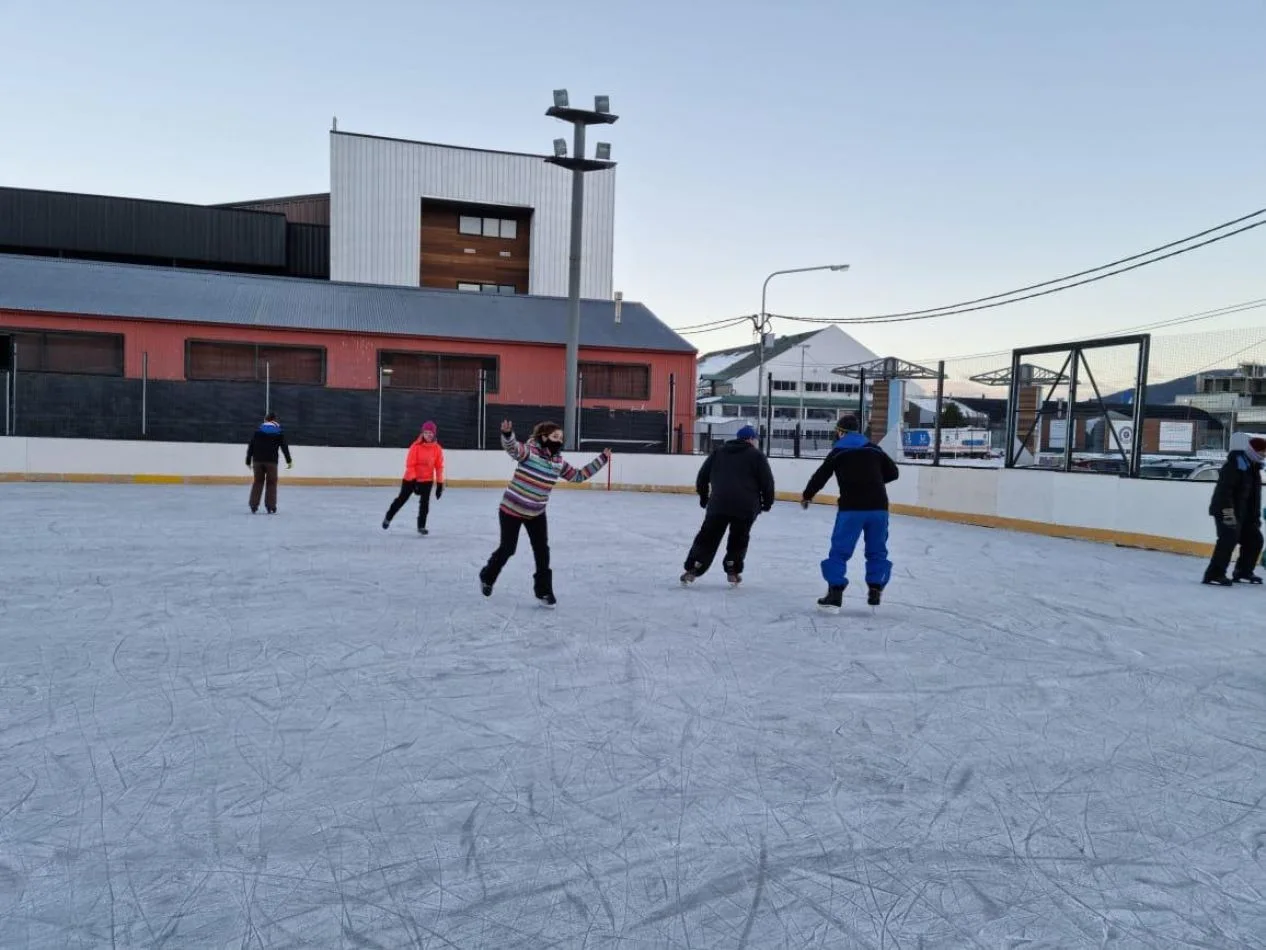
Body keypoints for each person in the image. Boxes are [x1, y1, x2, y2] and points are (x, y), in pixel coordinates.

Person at [479, 420, 611, 606]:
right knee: (508, 548)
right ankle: (487, 576)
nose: (558, 441)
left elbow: (578, 476)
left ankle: (543, 591)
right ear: (544, 437)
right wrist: (508, 435)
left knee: (542, 551)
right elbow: (513, 449)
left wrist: (601, 460)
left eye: (561, 438)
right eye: (555, 436)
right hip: (512, 509)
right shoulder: (530, 452)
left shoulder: (558, 462)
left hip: (536, 512)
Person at [800, 414, 900, 611]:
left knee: (840, 550)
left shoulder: (838, 452)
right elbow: (893, 472)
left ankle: (835, 592)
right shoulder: (874, 449)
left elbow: (820, 477)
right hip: (878, 508)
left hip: (851, 508)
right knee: (877, 550)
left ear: (840, 432)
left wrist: (807, 495)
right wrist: (874, 481)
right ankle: (875, 588)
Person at [681, 424, 775, 587]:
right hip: (745, 507)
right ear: (751, 439)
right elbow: (767, 483)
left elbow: (702, 477)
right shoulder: (757, 456)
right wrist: (767, 503)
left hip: (718, 505)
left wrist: (704, 498)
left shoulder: (719, 452)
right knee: (739, 539)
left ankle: (693, 568)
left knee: (707, 538)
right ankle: (733, 570)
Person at [1203, 432, 1265, 586]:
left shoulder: (1254, 468)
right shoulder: (1235, 464)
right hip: (1226, 509)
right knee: (1229, 537)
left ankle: (1243, 571)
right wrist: (1229, 515)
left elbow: (1254, 499)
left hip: (1243, 514)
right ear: (1253, 451)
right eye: (1262, 453)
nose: (1264, 456)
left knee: (1255, 539)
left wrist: (1254, 520)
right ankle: (1214, 574)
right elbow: (1224, 492)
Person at [382, 420, 445, 535]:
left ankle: (421, 526)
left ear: (434, 434)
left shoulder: (437, 449)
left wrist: (440, 484)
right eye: (426, 433)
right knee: (401, 499)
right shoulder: (415, 447)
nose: (428, 435)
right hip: (411, 479)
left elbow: (439, 467)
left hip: (427, 480)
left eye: (430, 433)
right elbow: (410, 465)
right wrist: (414, 480)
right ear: (422, 433)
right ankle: (388, 517)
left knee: (424, 504)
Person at [245, 412, 292, 514]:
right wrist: (289, 460)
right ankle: (270, 506)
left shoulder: (257, 431)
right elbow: (284, 447)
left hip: (257, 461)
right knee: (271, 483)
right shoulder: (278, 432)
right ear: (274, 420)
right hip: (272, 462)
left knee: (258, 482)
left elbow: (251, 446)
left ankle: (253, 505)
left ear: (265, 420)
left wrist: (248, 460)